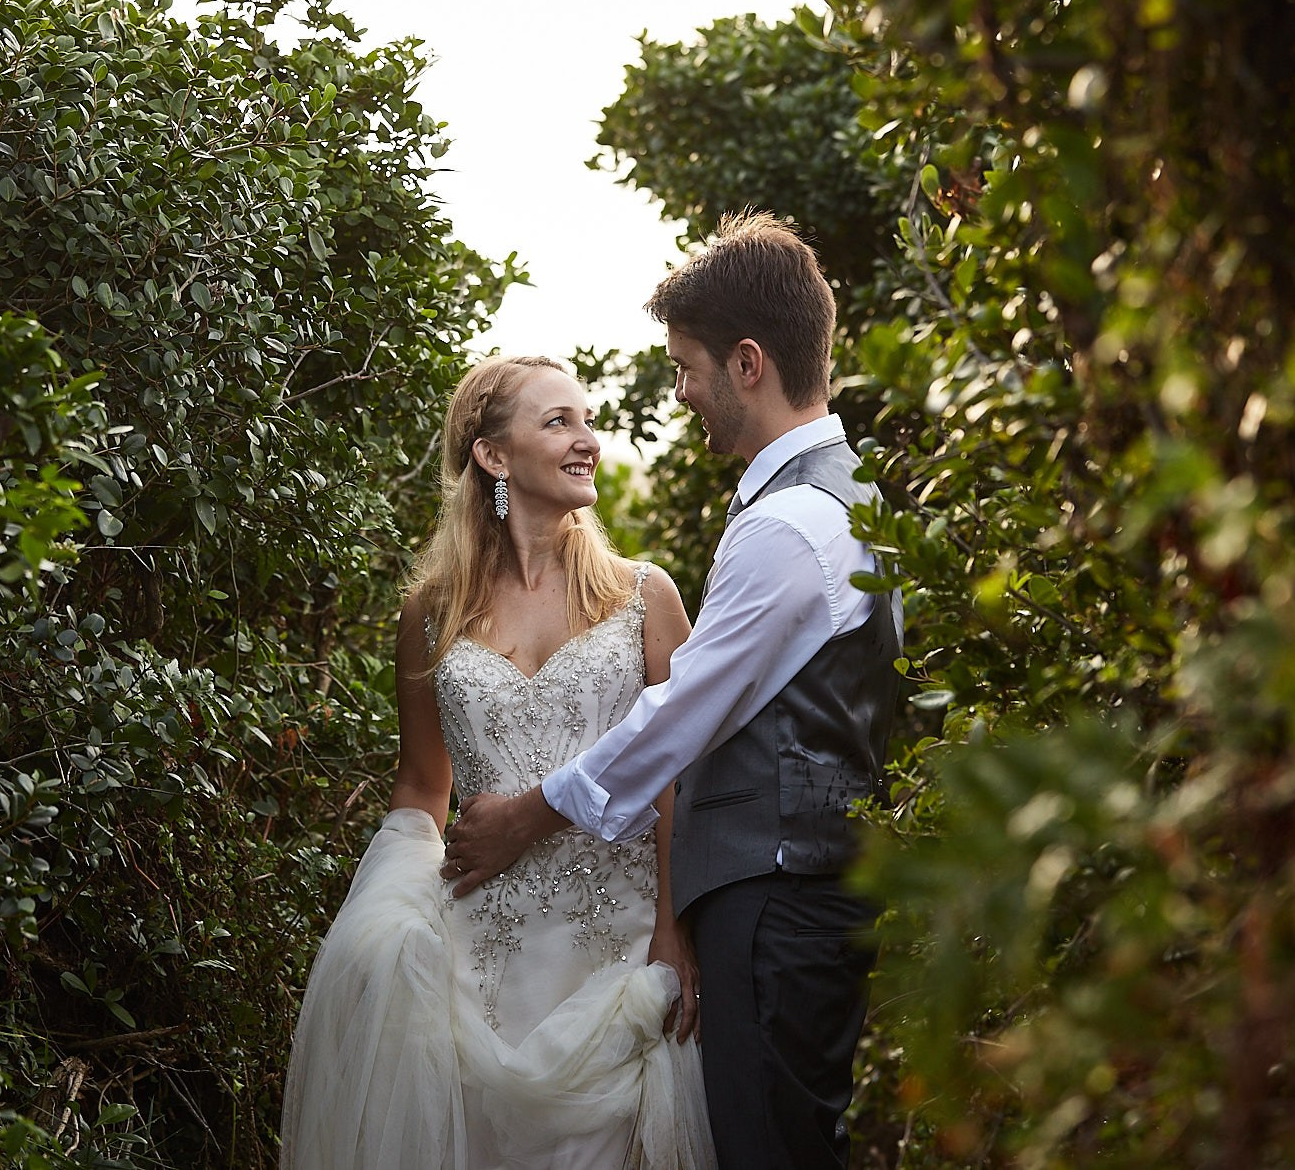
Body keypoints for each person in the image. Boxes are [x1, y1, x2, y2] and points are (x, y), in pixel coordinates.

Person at [441, 213, 901, 1170]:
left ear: (745, 363)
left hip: (773, 898)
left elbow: (679, 716)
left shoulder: (791, 526)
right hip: (788, 892)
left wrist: (528, 812)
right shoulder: (843, 496)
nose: (680, 392)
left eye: (686, 367)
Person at [281, 355, 716, 1170]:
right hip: (477, 961)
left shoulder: (644, 596)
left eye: (587, 421)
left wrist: (673, 932)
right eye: (559, 422)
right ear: (493, 455)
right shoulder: (431, 611)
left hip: (620, 955)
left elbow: (678, 779)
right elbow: (420, 786)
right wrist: (388, 922)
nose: (586, 439)